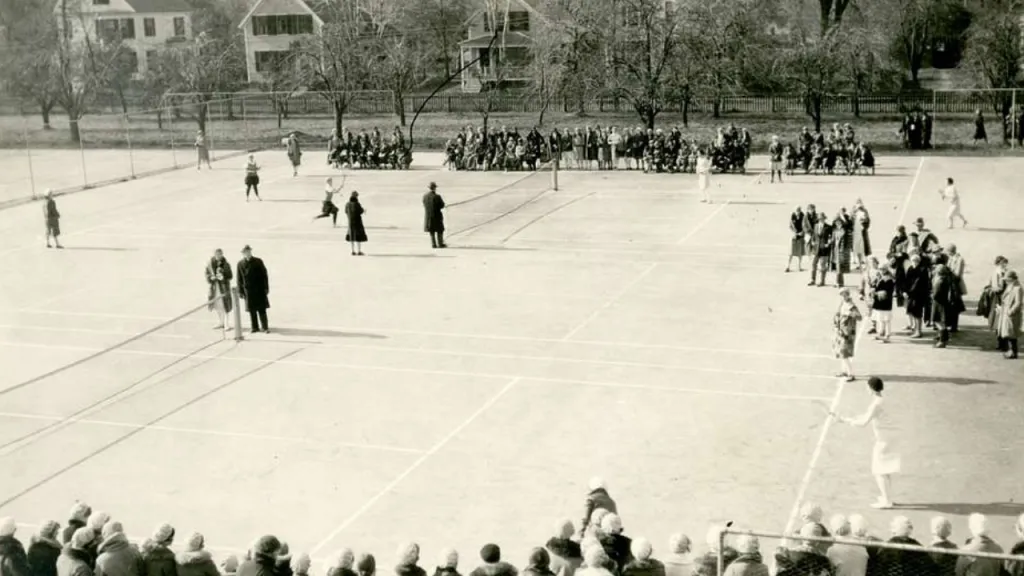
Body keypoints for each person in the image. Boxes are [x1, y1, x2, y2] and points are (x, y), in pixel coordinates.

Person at [833, 377, 899, 509]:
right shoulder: (883, 400)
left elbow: (863, 422)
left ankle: (887, 501)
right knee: (885, 470)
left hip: (884, 441)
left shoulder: (876, 404)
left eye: (867, 386)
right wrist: (848, 419)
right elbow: (868, 416)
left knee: (879, 471)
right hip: (892, 438)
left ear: (871, 388)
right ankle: (887, 497)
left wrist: (845, 421)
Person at [237, 245, 270, 334]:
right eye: (245, 252)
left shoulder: (258, 261)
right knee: (252, 310)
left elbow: (264, 275)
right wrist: (240, 291)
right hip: (248, 290)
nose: (247, 253)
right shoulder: (240, 264)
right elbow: (239, 278)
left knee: (262, 309)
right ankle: (254, 327)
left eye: (248, 251)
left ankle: (265, 327)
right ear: (243, 253)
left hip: (259, 289)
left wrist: (266, 287)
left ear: (251, 252)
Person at [832, 288, 862, 381]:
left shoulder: (851, 306)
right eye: (841, 295)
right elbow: (837, 315)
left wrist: (850, 314)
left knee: (844, 353)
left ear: (848, 295)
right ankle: (844, 371)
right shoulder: (842, 304)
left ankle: (851, 374)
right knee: (841, 352)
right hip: (841, 331)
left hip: (848, 333)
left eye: (845, 294)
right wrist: (836, 326)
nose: (843, 296)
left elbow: (859, 317)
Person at [205, 249, 233, 332]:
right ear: (214, 254)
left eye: (220, 254)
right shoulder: (209, 264)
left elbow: (230, 276)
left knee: (225, 305)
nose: (218, 256)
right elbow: (206, 274)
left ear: (222, 254)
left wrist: (223, 276)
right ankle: (221, 322)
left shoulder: (226, 264)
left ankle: (227, 324)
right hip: (214, 288)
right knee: (217, 305)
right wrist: (211, 278)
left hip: (224, 287)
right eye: (217, 254)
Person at [997, 270, 1022, 359]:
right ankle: (1010, 351)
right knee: (1007, 333)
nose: (1006, 281)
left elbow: (1018, 303)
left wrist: (1010, 312)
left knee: (1012, 333)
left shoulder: (1018, 288)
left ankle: (1013, 352)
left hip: (1012, 314)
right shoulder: (1009, 286)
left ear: (1012, 279)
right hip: (1005, 312)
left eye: (1007, 279)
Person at [904, 254, 929, 339]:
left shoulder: (923, 270)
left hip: (919, 295)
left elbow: (919, 283)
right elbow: (907, 281)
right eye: (913, 261)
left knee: (918, 313)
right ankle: (916, 330)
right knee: (912, 312)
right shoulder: (910, 268)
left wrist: (910, 291)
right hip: (911, 295)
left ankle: (919, 331)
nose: (914, 262)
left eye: (916, 261)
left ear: (919, 261)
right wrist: (905, 291)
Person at [808, 213, 833, 288]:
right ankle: (812, 280)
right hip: (815, 249)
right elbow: (813, 235)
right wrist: (812, 241)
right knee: (813, 264)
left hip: (824, 249)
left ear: (824, 219)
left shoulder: (828, 227)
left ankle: (822, 281)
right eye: (820, 219)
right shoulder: (815, 226)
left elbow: (831, 237)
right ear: (818, 219)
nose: (821, 220)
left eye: (822, 218)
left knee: (823, 266)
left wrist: (828, 243)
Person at [872, 265, 895, 343]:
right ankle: (881, 333)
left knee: (886, 319)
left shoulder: (889, 279)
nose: (881, 271)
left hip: (885, 302)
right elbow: (875, 286)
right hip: (879, 302)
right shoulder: (879, 278)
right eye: (880, 269)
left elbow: (887, 292)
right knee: (880, 318)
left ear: (886, 270)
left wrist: (876, 293)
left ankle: (887, 335)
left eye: (883, 269)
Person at [423, 182, 447, 249]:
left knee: (431, 230)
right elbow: (442, 205)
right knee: (440, 230)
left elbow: (424, 204)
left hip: (428, 216)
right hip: (437, 215)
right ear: (435, 188)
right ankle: (440, 243)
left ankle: (433, 244)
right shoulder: (437, 196)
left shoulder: (425, 196)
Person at [344, 191, 368, 256]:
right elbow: (360, 211)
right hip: (357, 222)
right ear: (356, 197)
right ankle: (359, 251)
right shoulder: (357, 204)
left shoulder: (347, 204)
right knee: (358, 237)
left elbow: (346, 211)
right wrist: (364, 210)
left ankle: (353, 251)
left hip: (350, 222)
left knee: (352, 237)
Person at [852, 199, 871, 270]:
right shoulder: (854, 211)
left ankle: (866, 265)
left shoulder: (865, 211)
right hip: (856, 233)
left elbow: (868, 221)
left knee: (865, 249)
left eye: (860, 203)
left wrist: (864, 226)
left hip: (863, 233)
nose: (859, 205)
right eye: (857, 203)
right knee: (858, 249)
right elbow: (851, 220)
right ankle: (860, 265)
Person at [787, 206, 806, 273]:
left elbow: (805, 226)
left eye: (799, 210)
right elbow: (790, 226)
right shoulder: (792, 216)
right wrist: (794, 233)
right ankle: (788, 266)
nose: (798, 211)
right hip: (794, 236)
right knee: (791, 252)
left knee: (800, 252)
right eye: (797, 210)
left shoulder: (803, 216)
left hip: (801, 236)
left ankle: (799, 267)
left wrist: (802, 232)